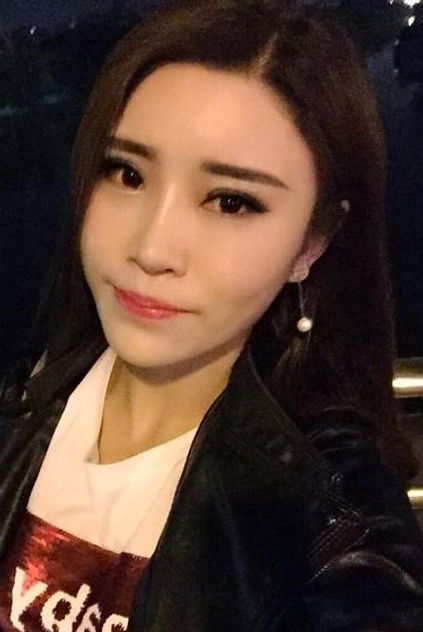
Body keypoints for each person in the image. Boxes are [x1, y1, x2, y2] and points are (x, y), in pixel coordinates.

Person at [1, 0, 423, 629]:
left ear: (311, 243)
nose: (151, 249)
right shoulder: (26, 400)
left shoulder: (333, 525)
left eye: (230, 202)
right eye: (126, 174)